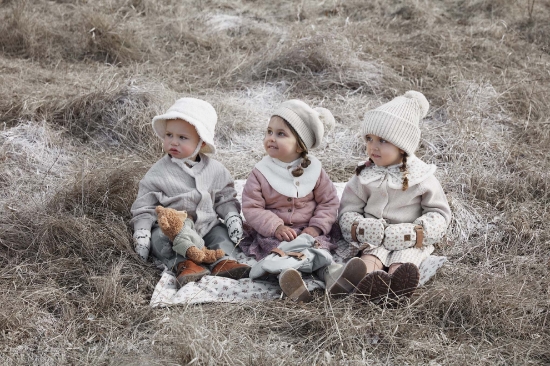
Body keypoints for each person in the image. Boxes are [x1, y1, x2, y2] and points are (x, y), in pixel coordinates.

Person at [241, 99, 367, 302]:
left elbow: (328, 202)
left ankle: (333, 275)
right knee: (280, 252)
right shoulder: (261, 172)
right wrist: (276, 226)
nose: (271, 138)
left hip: (308, 230)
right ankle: (289, 278)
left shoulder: (315, 172)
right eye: (269, 131)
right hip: (276, 234)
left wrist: (316, 228)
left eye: (280, 134)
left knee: (317, 248)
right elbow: (251, 207)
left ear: (300, 145)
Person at [338, 91, 452, 302]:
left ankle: (398, 286)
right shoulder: (365, 174)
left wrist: (416, 232)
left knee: (404, 263)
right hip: (373, 237)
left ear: (403, 146)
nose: (373, 146)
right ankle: (369, 285)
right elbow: (348, 208)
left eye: (383, 140)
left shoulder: (420, 177)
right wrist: (360, 226)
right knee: (370, 258)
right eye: (369, 139)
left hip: (405, 238)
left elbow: (439, 213)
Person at [131, 98, 250, 287]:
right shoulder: (158, 172)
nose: (173, 142)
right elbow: (144, 204)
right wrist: (142, 230)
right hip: (174, 229)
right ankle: (184, 264)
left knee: (221, 235)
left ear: (201, 143)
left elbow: (224, 197)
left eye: (182, 138)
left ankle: (223, 261)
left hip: (207, 224)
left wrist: (231, 216)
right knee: (159, 239)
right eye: (169, 135)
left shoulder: (216, 170)